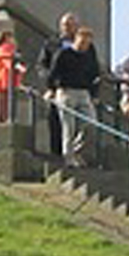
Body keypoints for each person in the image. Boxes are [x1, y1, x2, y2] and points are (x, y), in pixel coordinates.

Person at [46, 24, 101, 162]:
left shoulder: (88, 56)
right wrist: (51, 89)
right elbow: (53, 73)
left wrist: (94, 95)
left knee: (91, 123)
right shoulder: (64, 53)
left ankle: (77, 150)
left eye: (87, 43)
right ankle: (68, 158)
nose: (84, 46)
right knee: (68, 127)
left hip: (83, 93)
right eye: (82, 42)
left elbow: (95, 76)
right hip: (66, 91)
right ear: (76, 39)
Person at [38, 11, 79, 154]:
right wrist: (49, 86)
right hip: (58, 89)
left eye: (71, 25)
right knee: (55, 121)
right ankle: (56, 154)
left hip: (78, 89)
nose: (67, 28)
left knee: (80, 124)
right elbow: (42, 65)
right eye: (65, 25)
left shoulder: (83, 45)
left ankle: (76, 153)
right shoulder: (52, 43)